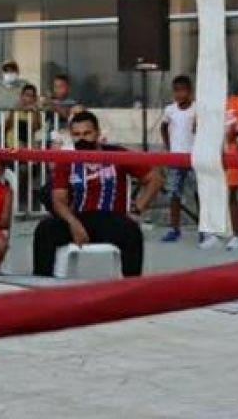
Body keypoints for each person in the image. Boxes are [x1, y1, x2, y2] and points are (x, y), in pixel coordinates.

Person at [33, 111, 163, 277]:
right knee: (44, 230)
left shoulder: (117, 154)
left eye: (87, 133)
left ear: (97, 133)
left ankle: (131, 292)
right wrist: (73, 223)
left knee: (132, 233)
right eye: (76, 135)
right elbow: (59, 200)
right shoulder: (66, 161)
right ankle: (41, 289)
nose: (82, 139)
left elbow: (155, 179)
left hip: (111, 219)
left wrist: (137, 210)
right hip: (79, 218)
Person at [159, 75, 196, 243]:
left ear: (190, 91)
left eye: (183, 90)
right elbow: (163, 127)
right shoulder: (170, 110)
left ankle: (204, 229)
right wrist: (168, 147)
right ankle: (174, 228)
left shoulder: (196, 109)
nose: (180, 94)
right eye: (176, 91)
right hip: (176, 158)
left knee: (198, 193)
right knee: (174, 193)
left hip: (194, 158)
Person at [219, 92, 238, 251]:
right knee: (211, 192)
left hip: (231, 152)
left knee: (231, 193)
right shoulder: (206, 100)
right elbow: (197, 127)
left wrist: (233, 134)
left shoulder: (237, 102)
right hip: (212, 153)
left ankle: (235, 235)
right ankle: (212, 232)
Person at [0, 60, 31, 146]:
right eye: (6, 71)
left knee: (11, 153)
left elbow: (30, 99)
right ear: (2, 72)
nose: (9, 73)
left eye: (12, 71)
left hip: (13, 126)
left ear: (17, 72)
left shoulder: (24, 86)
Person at [42, 74, 78, 147]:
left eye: (61, 86)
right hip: (50, 137)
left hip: (65, 137)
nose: (58, 89)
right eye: (55, 87)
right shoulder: (50, 101)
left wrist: (53, 104)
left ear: (68, 88)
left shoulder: (71, 102)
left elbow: (66, 114)